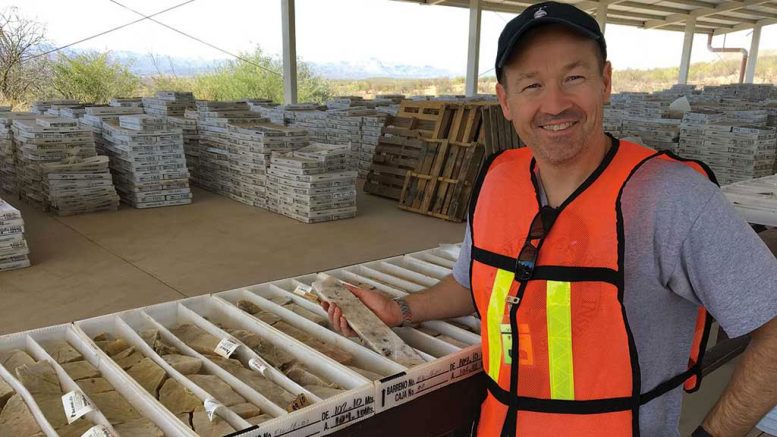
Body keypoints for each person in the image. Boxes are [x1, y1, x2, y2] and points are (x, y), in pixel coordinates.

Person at [322, 2, 777, 436]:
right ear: (505, 100)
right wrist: (401, 310)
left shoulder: (672, 197)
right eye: (531, 84)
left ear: (605, 81)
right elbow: (473, 285)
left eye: (573, 77)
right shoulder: (499, 182)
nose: (555, 104)